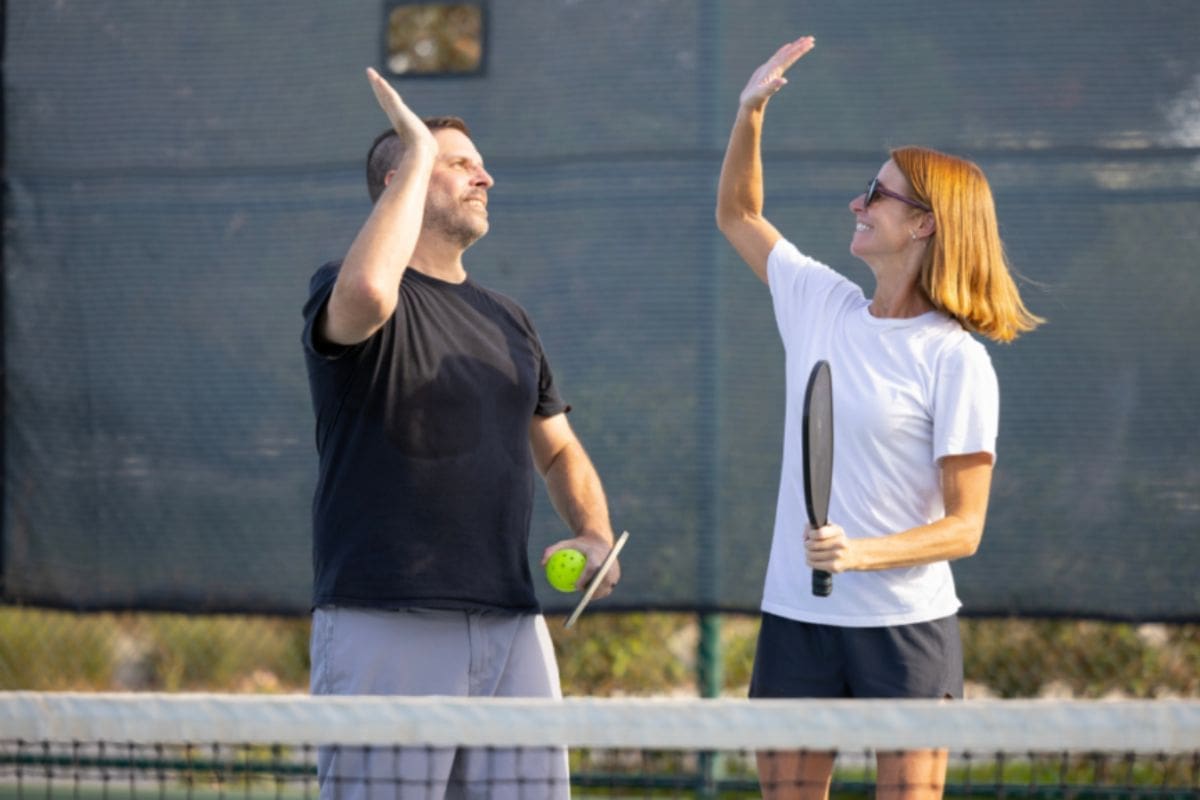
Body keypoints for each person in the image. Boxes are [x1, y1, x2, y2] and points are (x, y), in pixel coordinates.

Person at [716, 37, 1041, 800]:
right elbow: (738, 211)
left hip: (907, 631)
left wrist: (857, 554)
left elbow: (965, 528)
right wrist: (750, 111)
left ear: (925, 225)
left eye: (879, 193)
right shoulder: (818, 302)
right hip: (797, 619)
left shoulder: (954, 360)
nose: (858, 204)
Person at [301, 67, 620, 800]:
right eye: (459, 164)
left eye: (480, 166)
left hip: (512, 625)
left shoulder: (511, 319)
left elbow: (561, 448)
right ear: (400, 181)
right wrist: (417, 148)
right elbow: (370, 292)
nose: (486, 179)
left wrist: (596, 535)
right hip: (386, 615)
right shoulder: (342, 286)